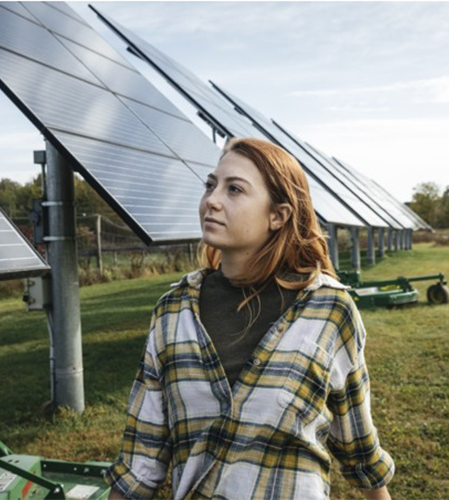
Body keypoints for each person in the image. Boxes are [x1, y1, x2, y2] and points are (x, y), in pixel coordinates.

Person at [105, 138, 394, 500]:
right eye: (211, 185)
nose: (212, 199)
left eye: (235, 189)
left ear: (278, 215)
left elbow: (358, 447)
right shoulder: (173, 311)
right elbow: (140, 460)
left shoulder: (329, 310)